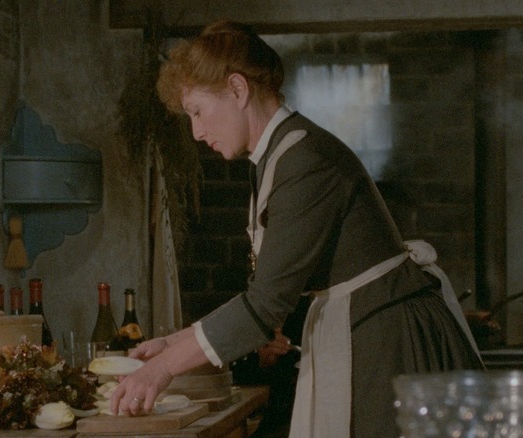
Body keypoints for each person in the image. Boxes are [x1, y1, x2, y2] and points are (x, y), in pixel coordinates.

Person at [110, 20, 484, 437]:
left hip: (390, 339)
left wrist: (163, 367)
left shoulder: (305, 160)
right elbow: (263, 295)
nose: (197, 132)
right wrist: (176, 342)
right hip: (371, 326)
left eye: (197, 112)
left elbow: (265, 306)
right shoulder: (279, 155)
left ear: (237, 89)